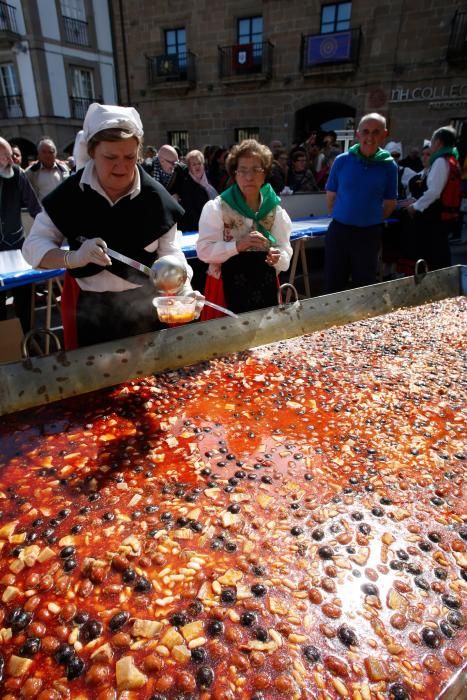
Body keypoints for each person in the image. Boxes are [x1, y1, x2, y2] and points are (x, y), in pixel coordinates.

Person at [23, 103, 200, 350]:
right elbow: (33, 247)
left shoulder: (157, 198)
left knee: (149, 386)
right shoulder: (70, 194)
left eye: (129, 157)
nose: (122, 167)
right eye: (110, 157)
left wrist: (184, 287)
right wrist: (72, 258)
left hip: (144, 309)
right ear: (92, 151)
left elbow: (170, 252)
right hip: (89, 310)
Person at [197, 139, 293, 318]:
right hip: (225, 289)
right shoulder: (217, 208)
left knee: (267, 341)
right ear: (235, 173)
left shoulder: (275, 210)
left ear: (265, 174)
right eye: (243, 170)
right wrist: (236, 246)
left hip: (265, 286)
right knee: (225, 342)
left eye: (256, 170)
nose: (249, 177)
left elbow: (285, 248)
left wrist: (278, 257)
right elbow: (204, 251)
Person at [325, 112, 398, 293]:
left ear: (384, 135)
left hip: (368, 235)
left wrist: (369, 218)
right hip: (339, 232)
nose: (370, 137)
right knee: (334, 282)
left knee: (364, 287)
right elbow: (330, 197)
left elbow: (390, 203)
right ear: (358, 135)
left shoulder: (389, 166)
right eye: (365, 132)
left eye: (375, 132)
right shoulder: (342, 161)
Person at [401, 125, 461, 270]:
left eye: (433, 142)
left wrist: (415, 207)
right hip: (443, 215)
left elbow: (434, 191)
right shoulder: (451, 160)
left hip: (435, 217)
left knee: (433, 256)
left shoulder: (440, 161)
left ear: (438, 142)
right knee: (439, 253)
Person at [0, 137, 42, 334]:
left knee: (25, 299)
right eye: (4, 157)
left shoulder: (17, 174)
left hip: (17, 247)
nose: (10, 161)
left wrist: (48, 232)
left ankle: (29, 339)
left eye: (10, 156)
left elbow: (35, 208)